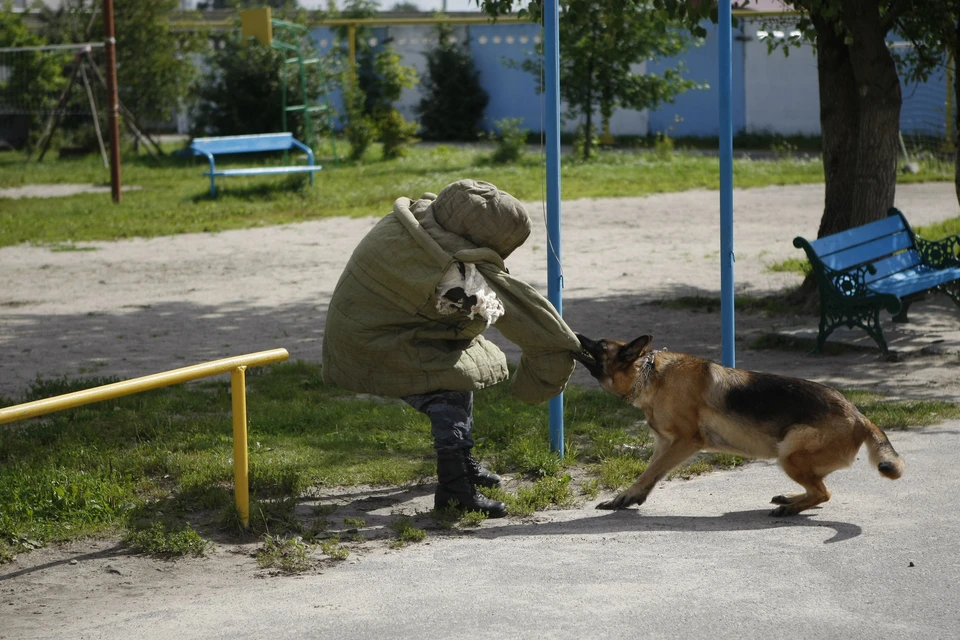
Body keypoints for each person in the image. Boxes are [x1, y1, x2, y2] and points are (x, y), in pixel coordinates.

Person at [322, 179, 581, 518]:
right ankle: (455, 490)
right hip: (374, 345)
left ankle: (464, 463)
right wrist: (555, 353)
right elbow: (511, 314)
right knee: (448, 390)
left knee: (462, 361)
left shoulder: (410, 223)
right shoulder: (447, 270)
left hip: (369, 330)